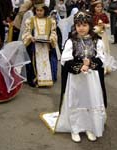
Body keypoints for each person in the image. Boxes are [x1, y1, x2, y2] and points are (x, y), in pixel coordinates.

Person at [41, 11, 107, 143]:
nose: (81, 28)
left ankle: (90, 126)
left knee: (90, 101)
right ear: (75, 26)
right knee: (76, 101)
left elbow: (101, 59)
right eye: (78, 25)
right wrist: (79, 66)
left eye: (84, 25)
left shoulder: (97, 41)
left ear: (89, 25)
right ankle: (75, 128)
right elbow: (65, 60)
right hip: (76, 79)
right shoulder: (71, 41)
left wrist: (90, 64)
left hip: (91, 79)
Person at [22, 0, 57, 87]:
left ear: (45, 10)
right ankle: (35, 80)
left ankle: (47, 80)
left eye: (41, 10)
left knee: (47, 62)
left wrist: (51, 39)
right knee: (34, 63)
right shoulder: (30, 20)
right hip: (34, 46)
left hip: (46, 46)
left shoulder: (50, 21)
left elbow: (53, 32)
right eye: (37, 10)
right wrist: (30, 37)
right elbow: (26, 32)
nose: (39, 12)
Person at [91, 0, 117, 74]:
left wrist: (104, 25)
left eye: (100, 7)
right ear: (94, 7)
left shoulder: (104, 15)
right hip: (94, 35)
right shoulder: (92, 15)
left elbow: (108, 25)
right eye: (97, 7)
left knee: (104, 50)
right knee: (95, 50)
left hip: (103, 35)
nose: (99, 8)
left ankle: (105, 67)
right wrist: (95, 28)